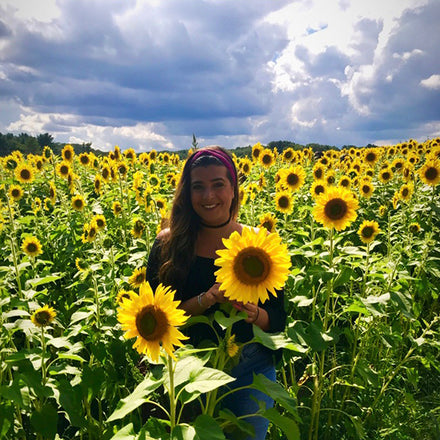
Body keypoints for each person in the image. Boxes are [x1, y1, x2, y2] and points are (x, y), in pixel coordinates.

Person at [146, 145, 287, 439]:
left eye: (218, 184)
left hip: (249, 366)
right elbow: (156, 321)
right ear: (187, 193)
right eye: (198, 187)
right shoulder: (168, 244)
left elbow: (277, 318)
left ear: (234, 188)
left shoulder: (260, 243)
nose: (208, 196)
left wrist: (255, 314)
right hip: (186, 368)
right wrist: (206, 300)